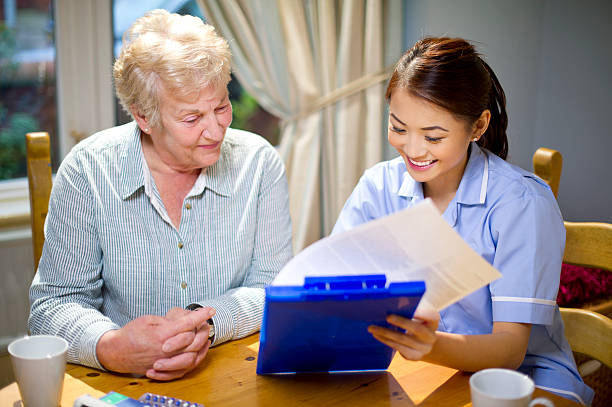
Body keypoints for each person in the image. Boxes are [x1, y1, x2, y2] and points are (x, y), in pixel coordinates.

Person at [29, 9, 292, 381]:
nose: (216, 130)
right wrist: (110, 345)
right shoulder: (87, 170)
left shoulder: (259, 163)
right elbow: (52, 306)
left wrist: (205, 324)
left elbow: (273, 288)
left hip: (230, 375)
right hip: (119, 384)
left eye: (221, 107)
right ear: (144, 117)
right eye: (191, 118)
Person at [332, 37, 593, 405]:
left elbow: (510, 351)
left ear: (478, 126)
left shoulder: (521, 204)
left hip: (525, 382)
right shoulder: (379, 187)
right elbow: (339, 282)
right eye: (398, 127)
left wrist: (429, 345)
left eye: (433, 136)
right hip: (425, 370)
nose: (413, 149)